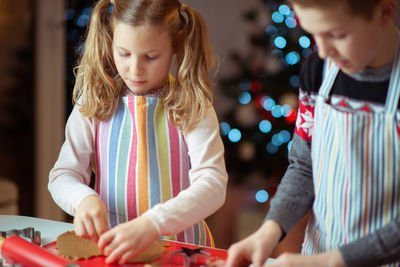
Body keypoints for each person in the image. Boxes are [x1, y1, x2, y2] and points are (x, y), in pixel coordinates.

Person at [48, 0, 228, 264]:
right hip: (113, 251)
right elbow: (63, 175)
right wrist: (83, 199)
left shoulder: (192, 105)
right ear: (110, 40)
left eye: (150, 57)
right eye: (124, 53)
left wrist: (153, 224)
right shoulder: (95, 102)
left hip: (181, 251)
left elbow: (213, 185)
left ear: (176, 44)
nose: (135, 69)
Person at [226, 0, 400, 266]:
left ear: (385, 12)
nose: (323, 51)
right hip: (319, 254)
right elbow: (304, 167)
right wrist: (270, 229)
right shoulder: (318, 71)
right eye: (313, 34)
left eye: (336, 34)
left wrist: (332, 261)